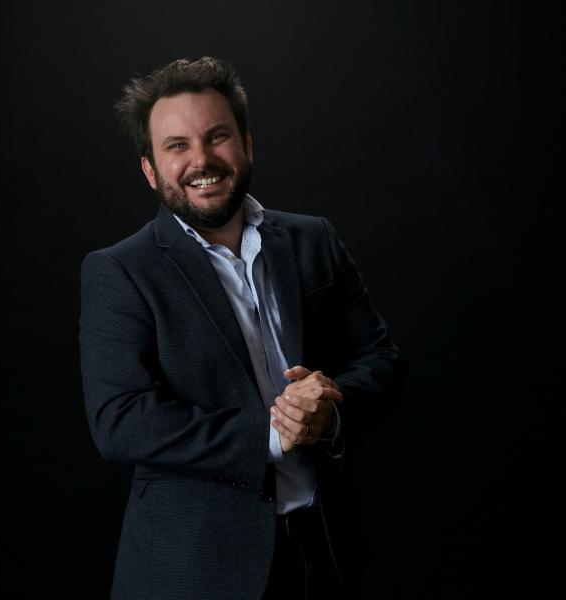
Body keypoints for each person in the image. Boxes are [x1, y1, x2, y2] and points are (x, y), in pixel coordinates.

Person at [79, 56, 408, 600]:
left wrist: (329, 408)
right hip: (197, 570)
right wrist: (272, 433)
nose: (202, 159)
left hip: (327, 551)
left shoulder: (313, 240)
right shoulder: (119, 271)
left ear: (247, 144)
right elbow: (120, 420)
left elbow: (383, 361)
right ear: (150, 169)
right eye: (177, 145)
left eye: (218, 136)